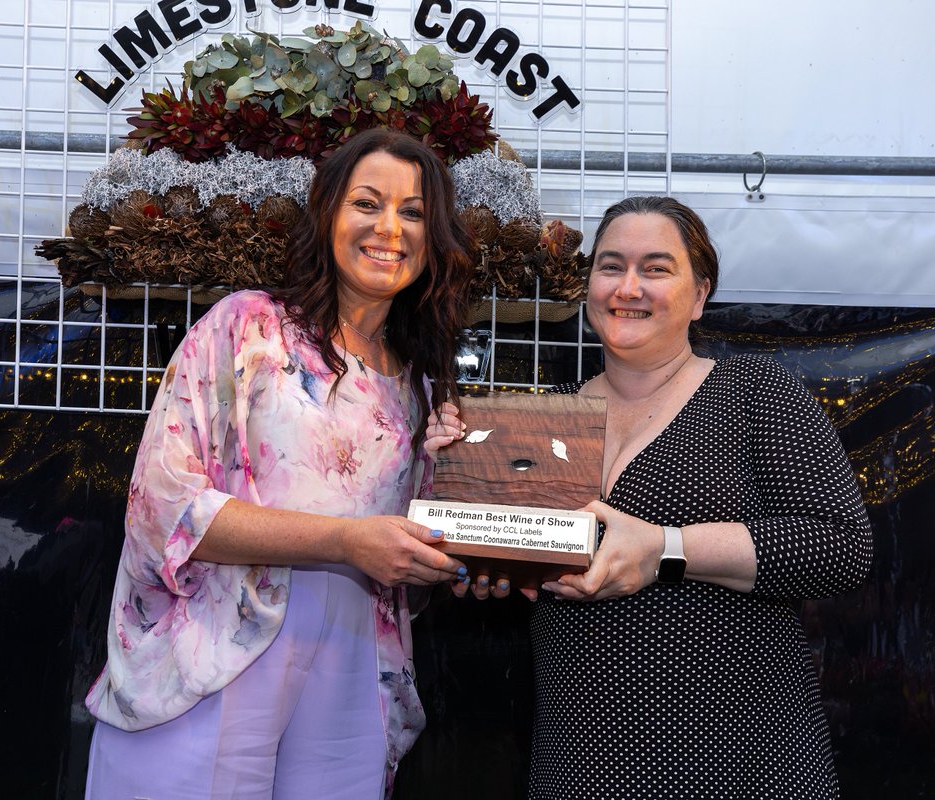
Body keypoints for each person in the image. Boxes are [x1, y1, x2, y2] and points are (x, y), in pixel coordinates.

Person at [427, 196, 873, 798]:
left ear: (699, 295)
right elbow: (517, 570)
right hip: (579, 759)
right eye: (610, 266)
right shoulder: (538, 416)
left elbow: (840, 547)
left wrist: (666, 547)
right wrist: (465, 514)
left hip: (740, 760)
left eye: (656, 268)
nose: (628, 287)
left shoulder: (757, 395)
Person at [84, 128, 477, 800]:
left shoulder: (416, 387)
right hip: (218, 647)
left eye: (413, 212)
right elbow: (164, 507)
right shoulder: (247, 328)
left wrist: (461, 552)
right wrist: (347, 542)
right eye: (368, 203)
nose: (390, 228)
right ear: (326, 213)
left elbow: (405, 573)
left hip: (353, 662)